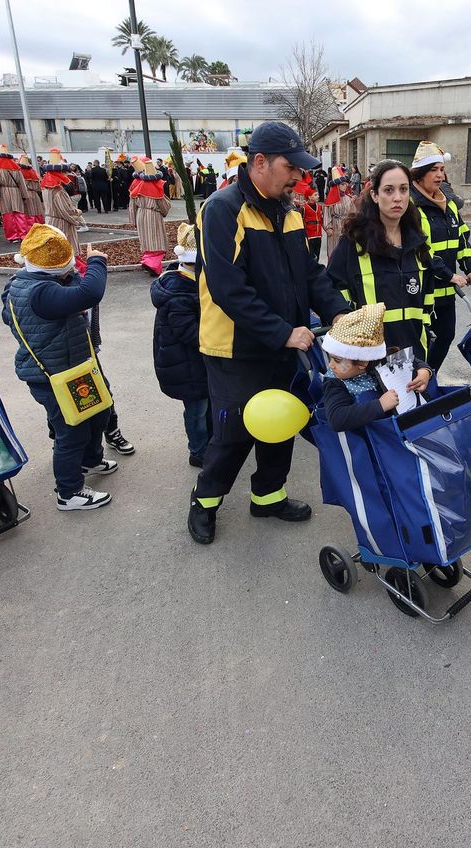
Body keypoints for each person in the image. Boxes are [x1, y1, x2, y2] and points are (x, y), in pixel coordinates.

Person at [188, 121, 350, 545]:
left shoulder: (289, 211)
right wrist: (283, 333)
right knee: (234, 431)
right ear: (259, 162)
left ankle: (268, 496)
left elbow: (309, 273)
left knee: (281, 421)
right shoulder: (223, 209)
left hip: (284, 341)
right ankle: (204, 501)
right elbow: (228, 288)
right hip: (235, 347)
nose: (298, 176)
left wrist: (339, 312)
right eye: (290, 167)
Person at [0, 225, 115, 511]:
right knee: (72, 431)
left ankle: (90, 460)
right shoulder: (40, 293)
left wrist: (70, 274)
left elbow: (73, 289)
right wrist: (96, 261)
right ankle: (69, 492)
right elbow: (89, 293)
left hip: (73, 368)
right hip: (55, 376)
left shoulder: (26, 282)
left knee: (98, 412)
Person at [327, 159, 436, 359]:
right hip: (368, 361)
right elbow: (331, 288)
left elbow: (427, 301)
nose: (397, 198)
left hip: (414, 360)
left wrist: (424, 356)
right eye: (388, 190)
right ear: (374, 195)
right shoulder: (354, 242)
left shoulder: (418, 242)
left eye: (403, 189)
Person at [408, 142, 471, 372]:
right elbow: (421, 248)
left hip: (446, 292)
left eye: (441, 169)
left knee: (445, 336)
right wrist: (449, 275)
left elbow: (462, 240)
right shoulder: (411, 206)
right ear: (419, 174)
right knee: (421, 342)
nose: (440, 175)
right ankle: (419, 381)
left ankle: (429, 378)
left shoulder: (448, 204)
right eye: (433, 170)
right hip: (422, 290)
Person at [319, 302, 433, 433]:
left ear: (363, 363)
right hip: (370, 439)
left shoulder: (384, 360)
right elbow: (337, 419)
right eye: (331, 358)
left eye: (337, 360)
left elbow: (415, 362)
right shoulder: (334, 383)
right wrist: (380, 405)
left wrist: (425, 372)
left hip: (401, 429)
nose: (330, 365)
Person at [151, 225, 211, 468]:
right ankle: (198, 451)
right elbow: (189, 333)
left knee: (205, 405)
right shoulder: (180, 293)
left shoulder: (188, 283)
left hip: (194, 363)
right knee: (197, 410)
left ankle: (208, 442)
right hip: (186, 366)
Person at [40, 151, 86, 259]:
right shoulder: (58, 191)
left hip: (51, 221)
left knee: (55, 251)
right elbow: (66, 211)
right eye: (65, 172)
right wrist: (78, 212)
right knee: (66, 252)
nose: (66, 174)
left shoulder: (46, 188)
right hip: (61, 225)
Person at [130, 157, 171, 275]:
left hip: (140, 214)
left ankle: (149, 261)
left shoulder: (136, 184)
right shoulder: (155, 185)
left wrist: (134, 220)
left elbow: (132, 205)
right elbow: (163, 204)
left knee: (146, 240)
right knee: (156, 240)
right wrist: (164, 211)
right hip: (153, 215)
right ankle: (151, 264)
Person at [0, 147, 32, 242]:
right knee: (20, 214)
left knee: (8, 215)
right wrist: (24, 195)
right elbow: (21, 183)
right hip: (16, 191)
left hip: (4, 192)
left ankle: (13, 236)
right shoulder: (16, 168)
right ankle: (23, 234)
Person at [296, 178, 324, 259]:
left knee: (317, 255)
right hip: (309, 235)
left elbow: (321, 219)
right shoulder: (304, 208)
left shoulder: (320, 207)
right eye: (315, 195)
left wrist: (326, 229)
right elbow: (300, 221)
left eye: (318, 195)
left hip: (318, 235)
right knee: (310, 256)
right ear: (309, 197)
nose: (318, 196)